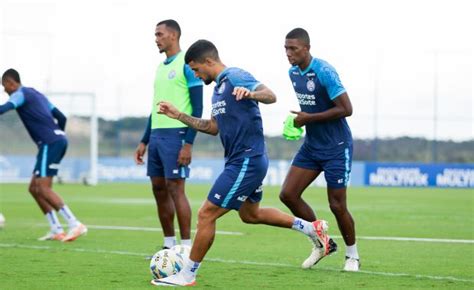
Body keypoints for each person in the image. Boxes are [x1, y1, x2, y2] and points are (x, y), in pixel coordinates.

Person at [150, 39, 331, 287]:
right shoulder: (217, 90)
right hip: (243, 160)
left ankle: (188, 274)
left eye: (195, 69)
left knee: (206, 214)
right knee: (250, 214)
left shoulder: (235, 76)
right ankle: (312, 228)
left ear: (208, 61)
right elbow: (212, 127)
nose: (194, 74)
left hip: (247, 159)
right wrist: (179, 115)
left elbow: (270, 95)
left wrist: (252, 93)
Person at [280, 28, 360, 271]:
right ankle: (322, 242)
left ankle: (352, 256)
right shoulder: (293, 73)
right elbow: (312, 107)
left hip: (336, 147)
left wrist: (309, 119)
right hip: (312, 146)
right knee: (288, 194)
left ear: (307, 48)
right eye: (285, 48)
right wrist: (299, 121)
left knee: (337, 205)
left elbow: (346, 109)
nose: (288, 53)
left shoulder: (324, 71)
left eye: (293, 48)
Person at [134, 19, 203, 250]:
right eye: (156, 34)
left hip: (177, 135)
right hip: (156, 136)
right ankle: (168, 245)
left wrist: (188, 143)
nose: (156, 39)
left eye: (159, 34)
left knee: (176, 188)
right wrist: (144, 140)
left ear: (173, 36)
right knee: (158, 188)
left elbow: (198, 108)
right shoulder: (160, 67)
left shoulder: (187, 64)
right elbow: (155, 108)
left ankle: (185, 247)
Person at [0, 68, 87, 242]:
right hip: (54, 141)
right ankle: (56, 229)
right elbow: (61, 117)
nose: (4, 90)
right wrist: (57, 134)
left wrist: (51, 138)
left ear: (11, 83)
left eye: (4, 86)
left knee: (44, 188)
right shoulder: (38, 95)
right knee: (34, 188)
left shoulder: (19, 93)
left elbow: (5, 108)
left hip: (50, 143)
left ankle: (75, 223)